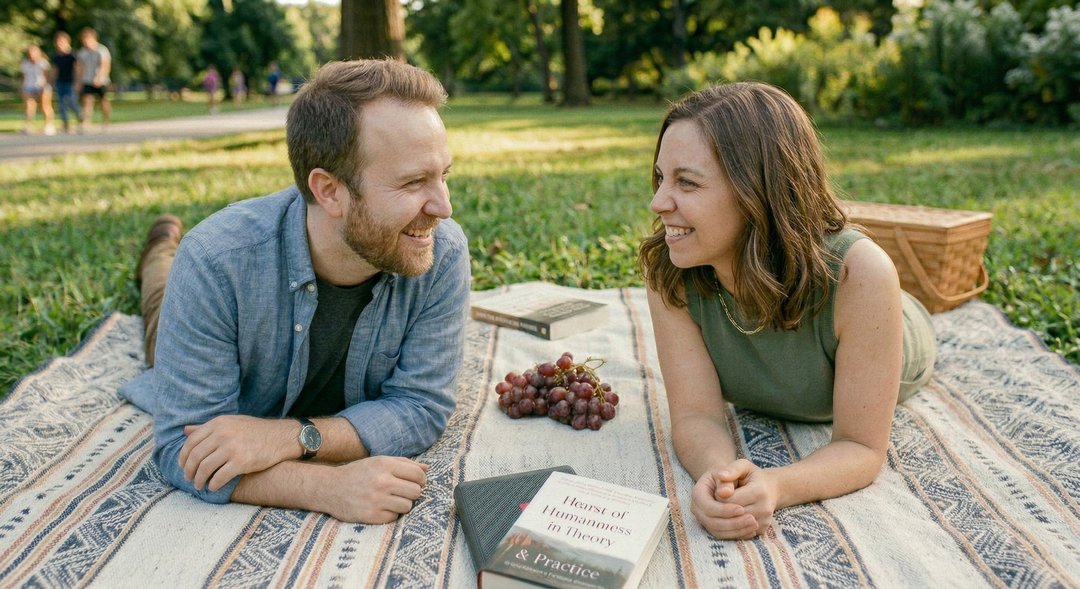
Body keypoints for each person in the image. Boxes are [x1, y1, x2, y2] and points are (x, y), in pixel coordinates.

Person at [118, 59, 469, 525]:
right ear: (329, 191)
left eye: (444, 175)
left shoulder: (439, 251)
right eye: (413, 182)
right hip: (204, 291)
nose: (444, 207)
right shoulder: (214, 261)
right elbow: (183, 449)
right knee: (159, 300)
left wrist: (290, 438)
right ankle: (161, 247)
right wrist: (325, 487)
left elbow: (422, 406)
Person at [639, 82, 936, 540]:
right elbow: (696, 415)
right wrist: (723, 480)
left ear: (758, 191)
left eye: (687, 182)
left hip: (893, 323)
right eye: (661, 178)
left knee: (892, 292)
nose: (658, 202)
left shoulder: (861, 275)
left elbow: (861, 446)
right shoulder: (671, 264)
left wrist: (776, 486)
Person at [75, 27, 111, 133]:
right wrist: (78, 81)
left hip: (101, 80)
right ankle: (85, 122)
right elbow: (80, 68)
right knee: (87, 100)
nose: (85, 42)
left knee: (103, 100)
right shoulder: (82, 52)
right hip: (87, 79)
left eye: (87, 39)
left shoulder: (102, 50)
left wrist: (100, 77)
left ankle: (106, 122)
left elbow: (105, 65)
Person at [19, 44, 56, 135]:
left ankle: (49, 125)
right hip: (29, 86)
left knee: (45, 106)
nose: (32, 54)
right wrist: (22, 87)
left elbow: (47, 77)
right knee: (29, 106)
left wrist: (45, 87)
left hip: (42, 86)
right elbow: (24, 77)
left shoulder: (43, 63)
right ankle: (27, 125)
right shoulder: (25, 64)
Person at [51, 32, 80, 133]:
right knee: (61, 104)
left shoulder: (73, 55)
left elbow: (77, 69)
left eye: (61, 42)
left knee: (72, 102)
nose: (59, 44)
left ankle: (80, 119)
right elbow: (55, 70)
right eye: (58, 42)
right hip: (60, 82)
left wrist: (77, 82)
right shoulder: (56, 56)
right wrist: (52, 81)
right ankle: (65, 124)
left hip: (71, 82)